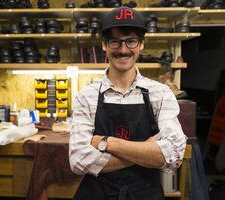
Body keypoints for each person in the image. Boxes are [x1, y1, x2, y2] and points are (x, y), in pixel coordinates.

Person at [69, 6, 187, 200]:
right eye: (115, 42)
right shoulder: (86, 96)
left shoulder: (161, 94)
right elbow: (79, 161)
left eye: (131, 41)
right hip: (96, 194)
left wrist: (108, 143)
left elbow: (174, 155)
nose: (123, 50)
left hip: (145, 193)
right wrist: (146, 150)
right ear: (104, 45)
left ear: (141, 44)